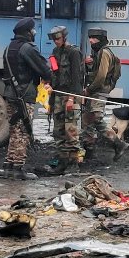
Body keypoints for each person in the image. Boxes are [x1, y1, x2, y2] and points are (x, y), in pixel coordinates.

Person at [0, 18, 52, 180]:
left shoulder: (9, 48)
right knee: (23, 132)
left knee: (14, 130)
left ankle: (8, 166)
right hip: (24, 96)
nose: (34, 33)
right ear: (28, 32)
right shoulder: (28, 49)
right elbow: (46, 71)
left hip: (10, 95)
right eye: (33, 30)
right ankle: (18, 168)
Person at [45, 25, 85, 175]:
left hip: (69, 96)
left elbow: (77, 78)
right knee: (59, 131)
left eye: (58, 39)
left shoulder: (74, 52)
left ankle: (74, 163)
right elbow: (54, 73)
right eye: (54, 39)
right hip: (57, 95)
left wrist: (71, 98)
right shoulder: (55, 52)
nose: (56, 41)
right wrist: (48, 83)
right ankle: (62, 162)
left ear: (64, 37)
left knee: (71, 131)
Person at [82, 28, 124, 161]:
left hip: (99, 91)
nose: (90, 40)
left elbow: (101, 76)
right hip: (94, 90)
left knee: (96, 118)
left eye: (94, 38)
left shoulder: (104, 52)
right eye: (90, 37)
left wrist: (88, 89)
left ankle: (118, 143)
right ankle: (89, 149)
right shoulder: (97, 52)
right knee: (87, 120)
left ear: (100, 39)